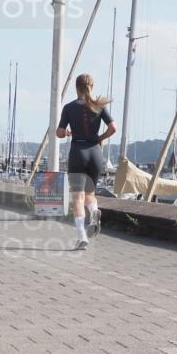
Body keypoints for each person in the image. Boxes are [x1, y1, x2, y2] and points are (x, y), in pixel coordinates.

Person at [55, 74, 117, 249]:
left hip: (78, 152)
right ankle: (93, 211)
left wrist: (65, 132)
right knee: (90, 194)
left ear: (77, 87)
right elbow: (113, 127)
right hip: (95, 153)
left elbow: (59, 132)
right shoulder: (99, 106)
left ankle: (82, 236)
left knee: (77, 197)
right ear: (92, 86)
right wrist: (100, 138)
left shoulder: (69, 107)